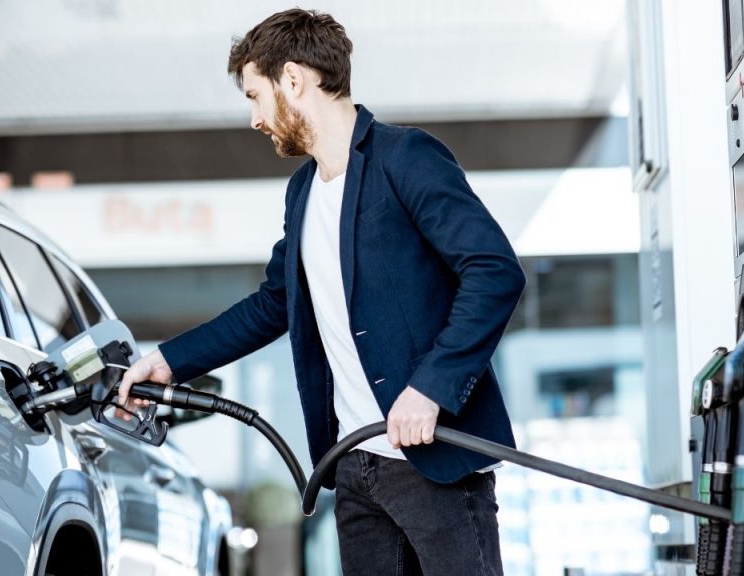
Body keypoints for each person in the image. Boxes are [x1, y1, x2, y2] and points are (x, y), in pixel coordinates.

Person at [118, 8, 524, 575]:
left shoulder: (405, 157)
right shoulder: (303, 191)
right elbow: (272, 304)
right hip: (357, 467)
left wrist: (431, 388)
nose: (256, 119)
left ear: (293, 79)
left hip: (432, 461)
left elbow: (494, 271)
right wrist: (167, 362)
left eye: (256, 96)